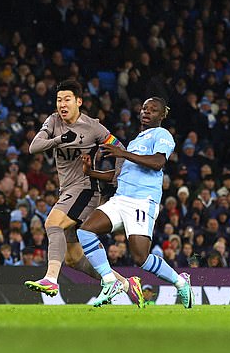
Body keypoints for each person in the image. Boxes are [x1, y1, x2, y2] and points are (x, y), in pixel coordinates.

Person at [23, 80, 141, 305]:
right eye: (59, 100)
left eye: (67, 99)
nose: (62, 104)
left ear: (79, 101)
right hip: (67, 190)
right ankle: (125, 284)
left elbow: (120, 150)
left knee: (52, 224)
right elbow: (33, 147)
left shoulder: (93, 127)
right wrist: (58, 140)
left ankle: (50, 279)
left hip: (86, 189)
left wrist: (114, 179)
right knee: (74, 259)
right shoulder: (53, 121)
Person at [78, 97, 193, 308]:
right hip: (121, 199)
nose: (146, 112)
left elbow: (158, 163)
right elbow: (121, 174)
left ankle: (180, 282)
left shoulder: (162, 135)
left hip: (142, 201)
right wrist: (91, 172)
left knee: (141, 258)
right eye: (144, 108)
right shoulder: (135, 141)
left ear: (162, 115)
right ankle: (111, 281)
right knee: (85, 230)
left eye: (153, 110)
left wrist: (123, 153)